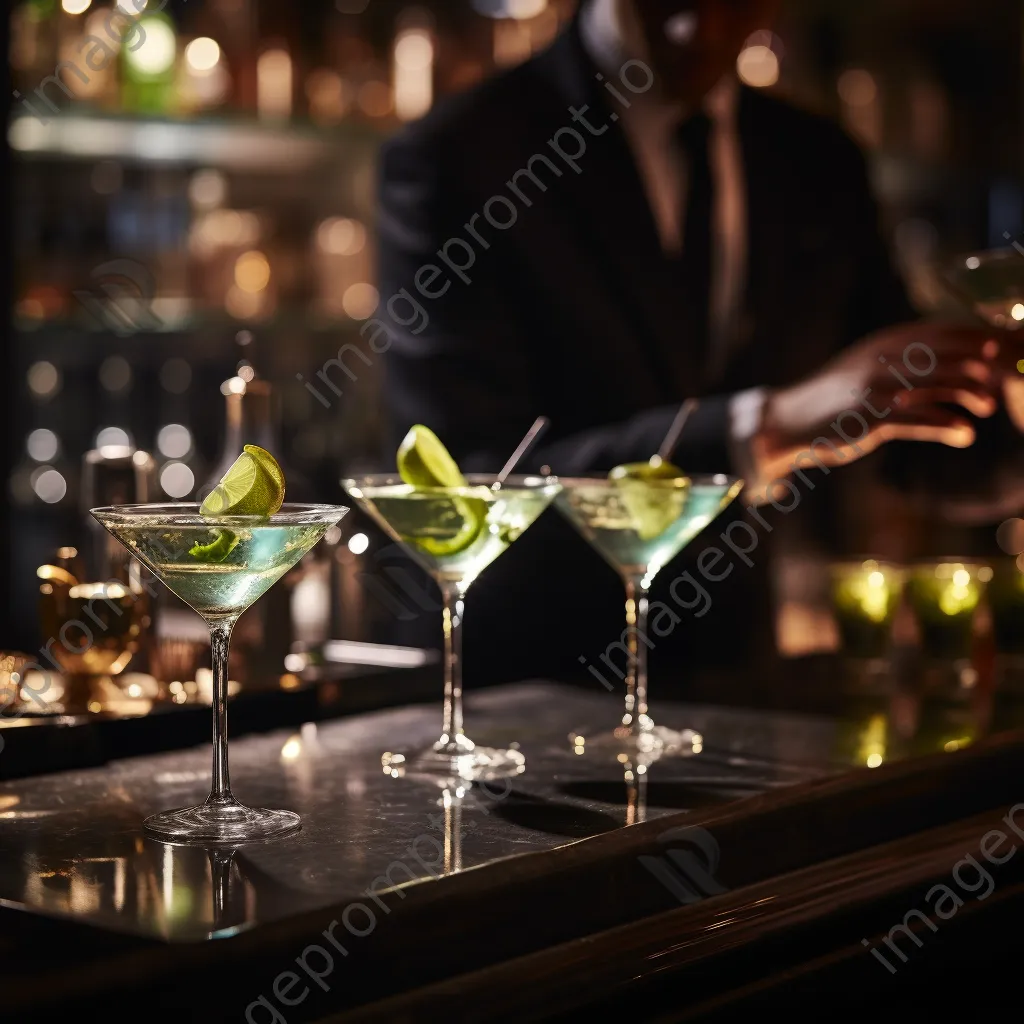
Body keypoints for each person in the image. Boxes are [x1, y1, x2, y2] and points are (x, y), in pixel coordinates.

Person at [373, 0, 1008, 688]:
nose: (693, 27)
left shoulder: (818, 162)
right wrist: (768, 427)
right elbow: (467, 486)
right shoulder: (460, 155)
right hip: (524, 701)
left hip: (741, 691)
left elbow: (925, 444)